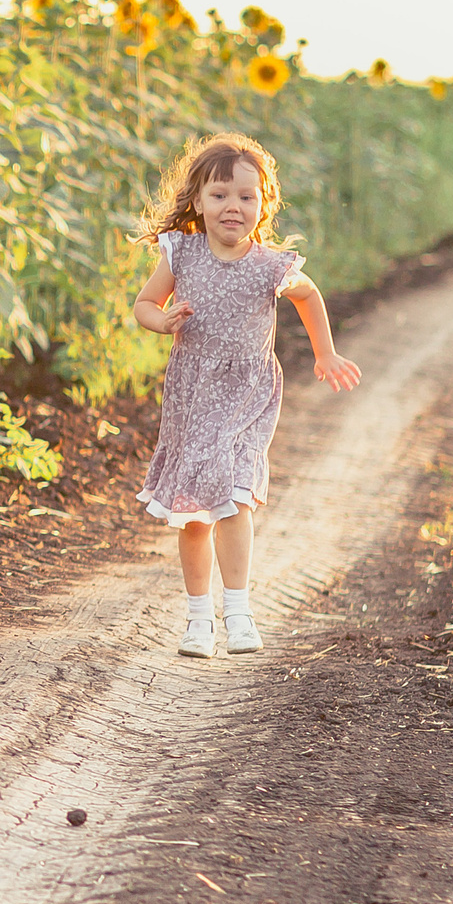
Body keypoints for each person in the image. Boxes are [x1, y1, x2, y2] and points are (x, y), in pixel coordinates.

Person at [130, 133, 361, 657]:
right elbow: (144, 303)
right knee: (193, 513)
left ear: (264, 204)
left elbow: (309, 295)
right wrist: (162, 322)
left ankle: (238, 612)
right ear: (197, 201)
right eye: (219, 195)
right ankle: (197, 620)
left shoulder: (268, 266)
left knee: (234, 497)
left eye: (247, 197)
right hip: (192, 393)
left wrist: (325, 354)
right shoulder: (182, 252)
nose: (233, 206)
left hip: (247, 394)